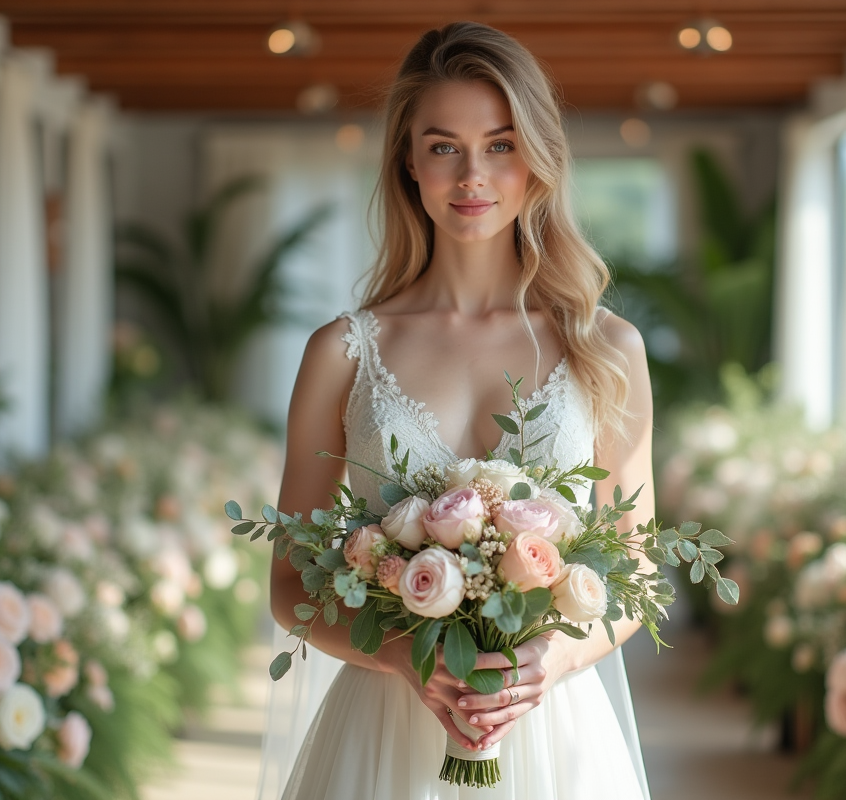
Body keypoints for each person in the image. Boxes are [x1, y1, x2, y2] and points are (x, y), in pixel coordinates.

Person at [267, 21, 654, 800]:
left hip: (550, 727)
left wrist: (557, 658)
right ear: (408, 162)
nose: (472, 175)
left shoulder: (605, 346)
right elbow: (288, 585)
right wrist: (403, 658)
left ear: (537, 159)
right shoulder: (342, 352)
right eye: (444, 146)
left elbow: (638, 567)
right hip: (383, 724)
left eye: (501, 144)